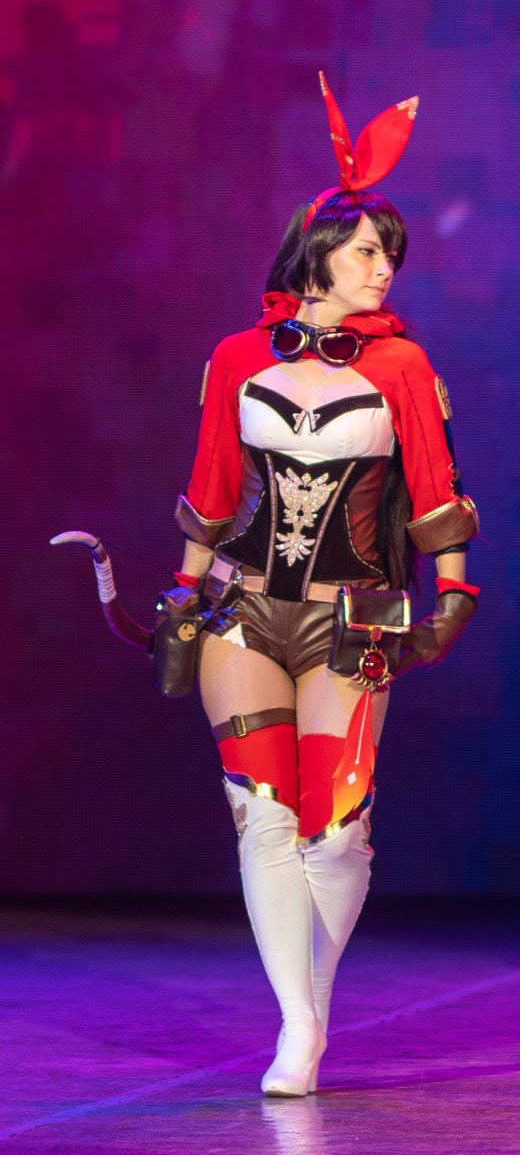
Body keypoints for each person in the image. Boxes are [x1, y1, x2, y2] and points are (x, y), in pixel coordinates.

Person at [160, 75, 480, 1097]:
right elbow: (213, 489)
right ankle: (298, 1029)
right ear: (314, 257)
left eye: (391, 254)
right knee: (261, 814)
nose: (384, 267)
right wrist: (181, 594)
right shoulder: (234, 357)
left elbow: (437, 491)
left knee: (335, 829)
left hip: (357, 615)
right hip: (243, 609)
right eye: (367, 250)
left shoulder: (402, 366)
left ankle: (313, 1007)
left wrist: (454, 596)